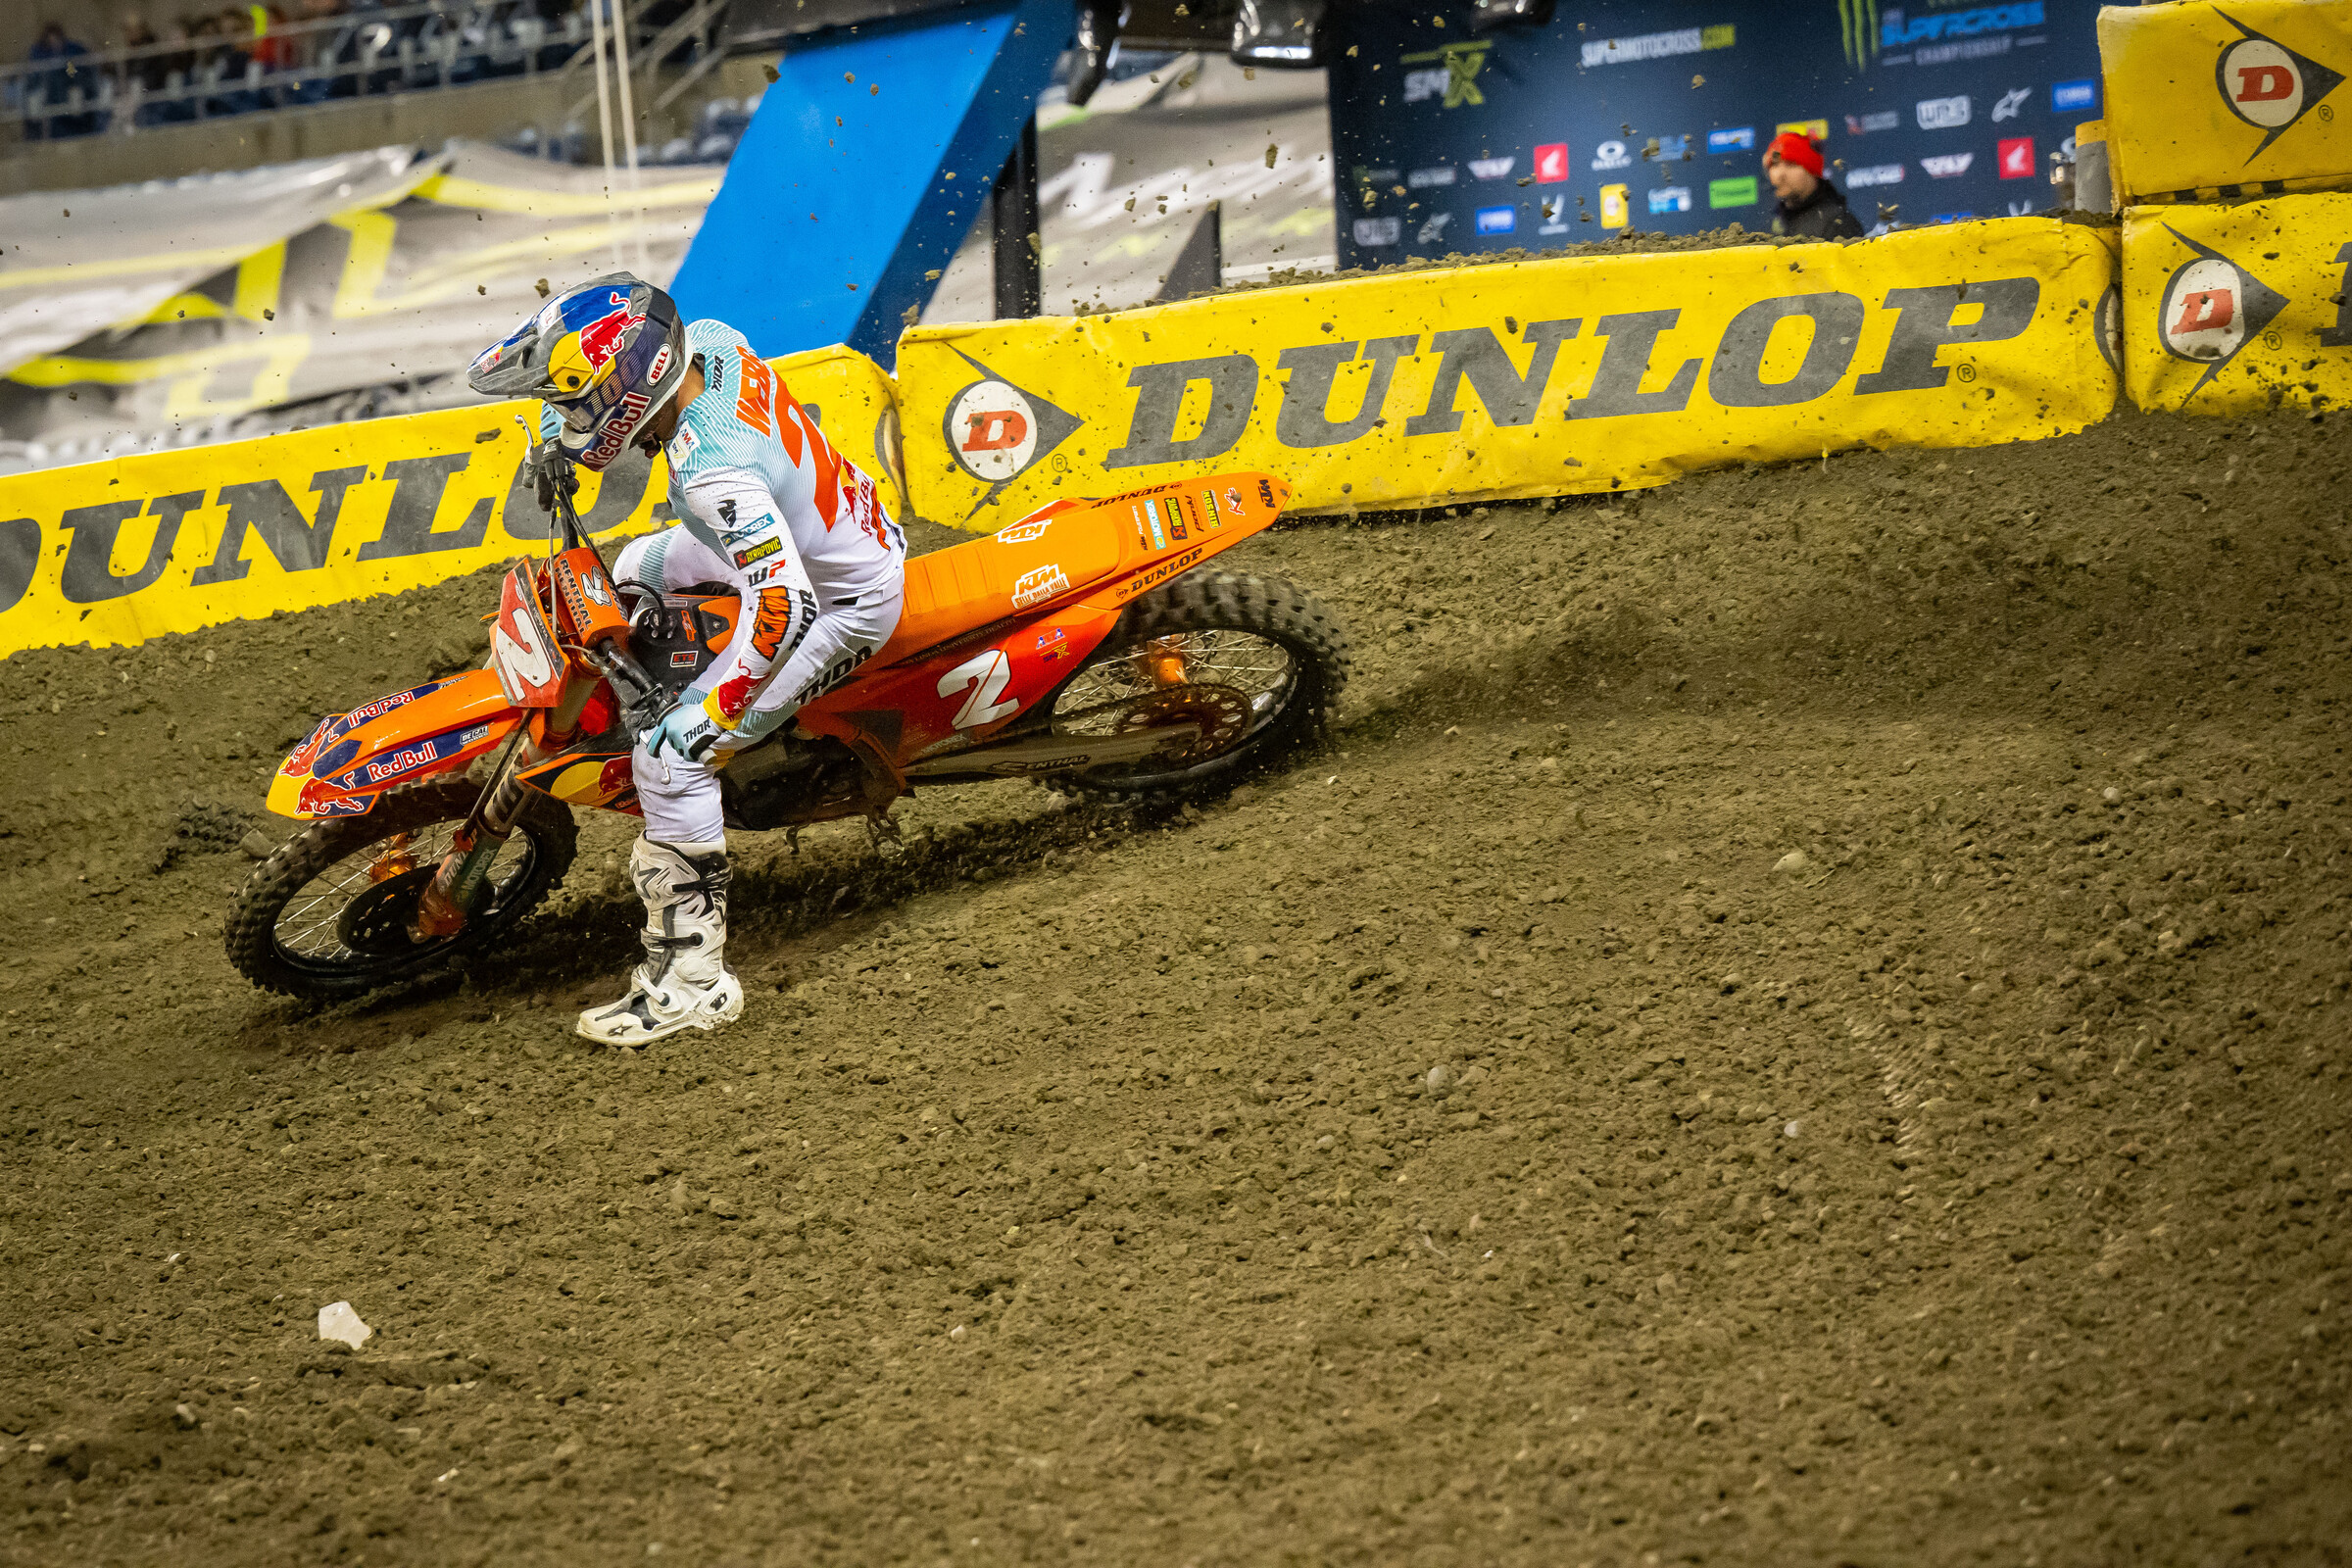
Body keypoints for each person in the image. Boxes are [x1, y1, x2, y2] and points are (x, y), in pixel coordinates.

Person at [467, 274, 906, 1047]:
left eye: (576, 403)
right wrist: (554, 437)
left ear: (628, 393)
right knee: (631, 568)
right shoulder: (706, 339)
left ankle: (695, 984)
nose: (569, 419)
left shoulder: (711, 478)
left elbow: (788, 607)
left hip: (844, 604)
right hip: (818, 532)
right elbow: (616, 384)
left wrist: (712, 713)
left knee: (671, 760)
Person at [1762, 130, 1864, 240]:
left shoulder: (1839, 224)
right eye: (1775, 165)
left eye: (1791, 164)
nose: (1780, 174)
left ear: (1812, 171)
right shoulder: (1779, 222)